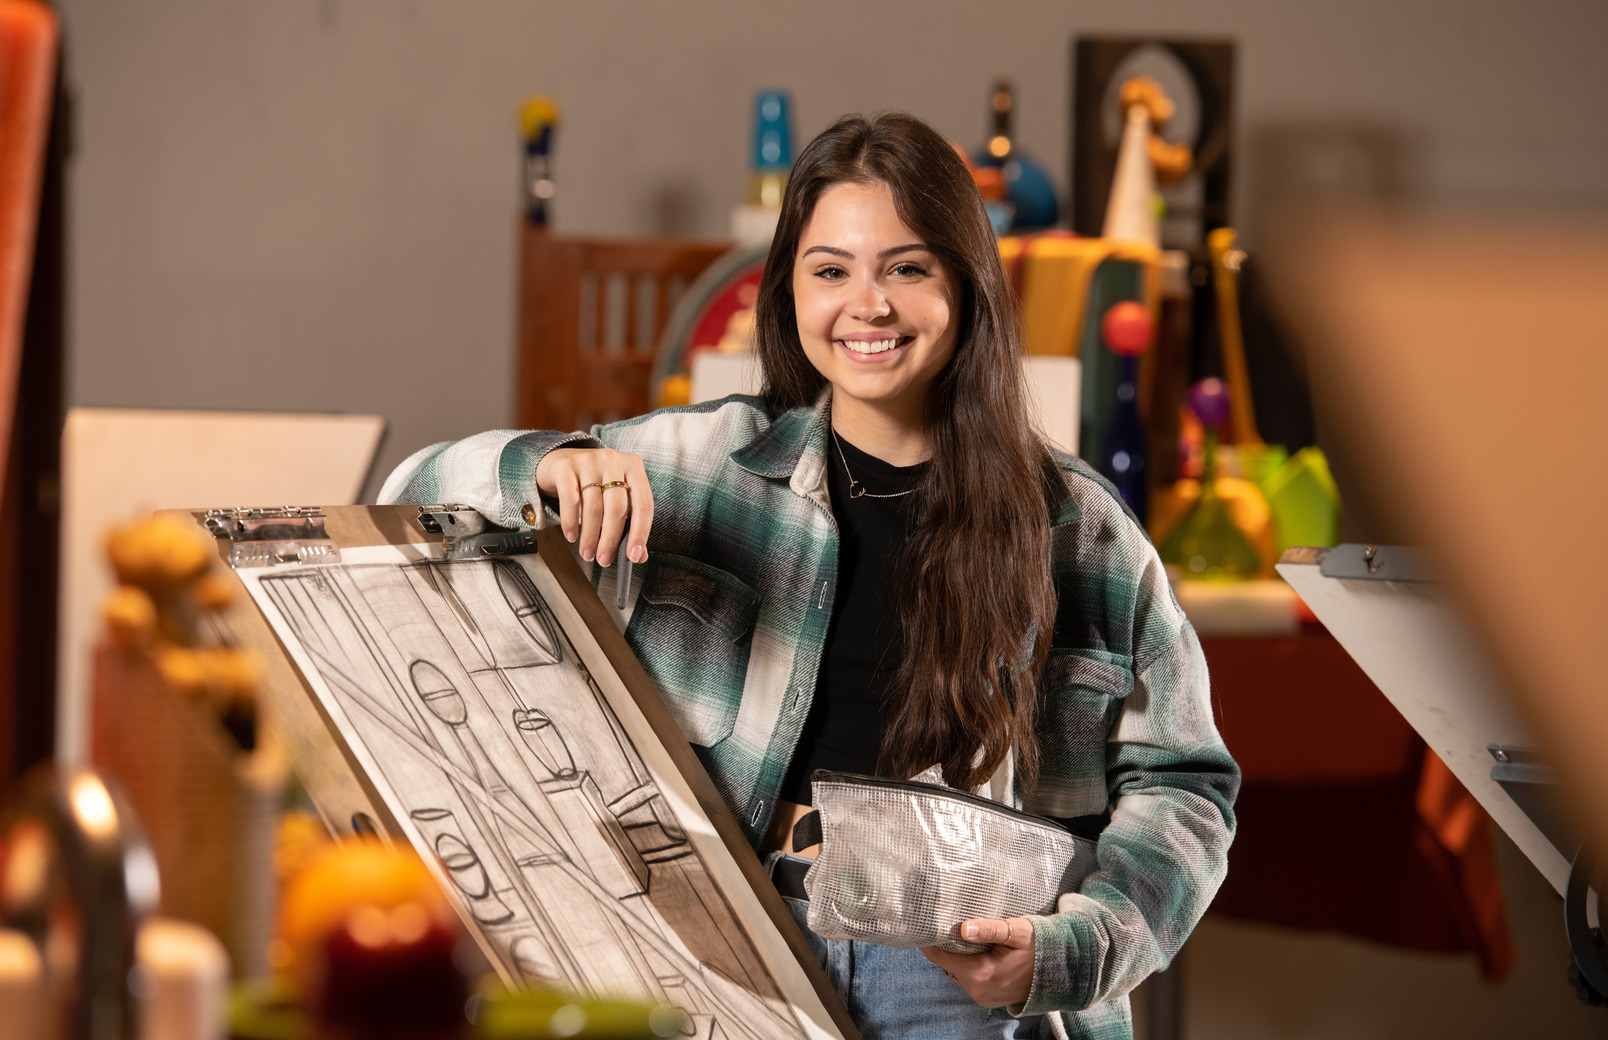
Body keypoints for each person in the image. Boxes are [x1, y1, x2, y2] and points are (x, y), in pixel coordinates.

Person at [380, 112, 1238, 1040]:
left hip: (957, 974)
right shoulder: (705, 464)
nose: (866, 305)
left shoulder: (1079, 529)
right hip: (725, 945)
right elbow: (409, 498)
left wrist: (1081, 947)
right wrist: (543, 466)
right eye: (831, 270)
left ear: (967, 286)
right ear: (787, 292)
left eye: (905, 268)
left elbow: (1186, 787)